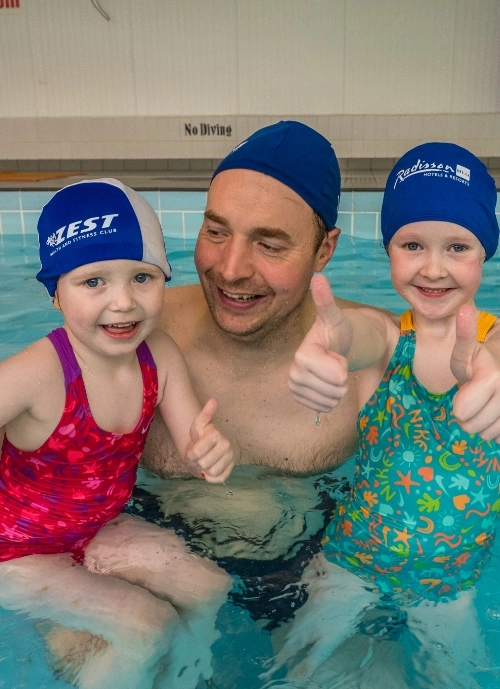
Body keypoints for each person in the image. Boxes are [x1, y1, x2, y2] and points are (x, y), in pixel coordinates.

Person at [138, 123, 500, 633]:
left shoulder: (377, 356)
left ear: (325, 250)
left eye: (269, 244)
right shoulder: (137, 334)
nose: (232, 269)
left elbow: (438, 352)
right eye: (216, 231)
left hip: (307, 581)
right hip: (150, 567)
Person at [266, 142, 500, 688]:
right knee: (298, 668)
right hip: (352, 559)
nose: (433, 267)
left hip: (448, 583)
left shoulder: (492, 350)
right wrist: (333, 344)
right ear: (388, 249)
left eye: (458, 246)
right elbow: (360, 336)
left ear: (486, 251)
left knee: (458, 678)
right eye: (412, 244)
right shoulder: (388, 339)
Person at [0, 179, 234, 689]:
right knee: (146, 626)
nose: (124, 302)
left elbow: (195, 438)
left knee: (210, 587)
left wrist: (208, 452)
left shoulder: (159, 357)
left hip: (96, 529)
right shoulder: (38, 373)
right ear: (56, 293)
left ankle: (183, 680)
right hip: (19, 553)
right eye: (94, 282)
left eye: (142, 278)